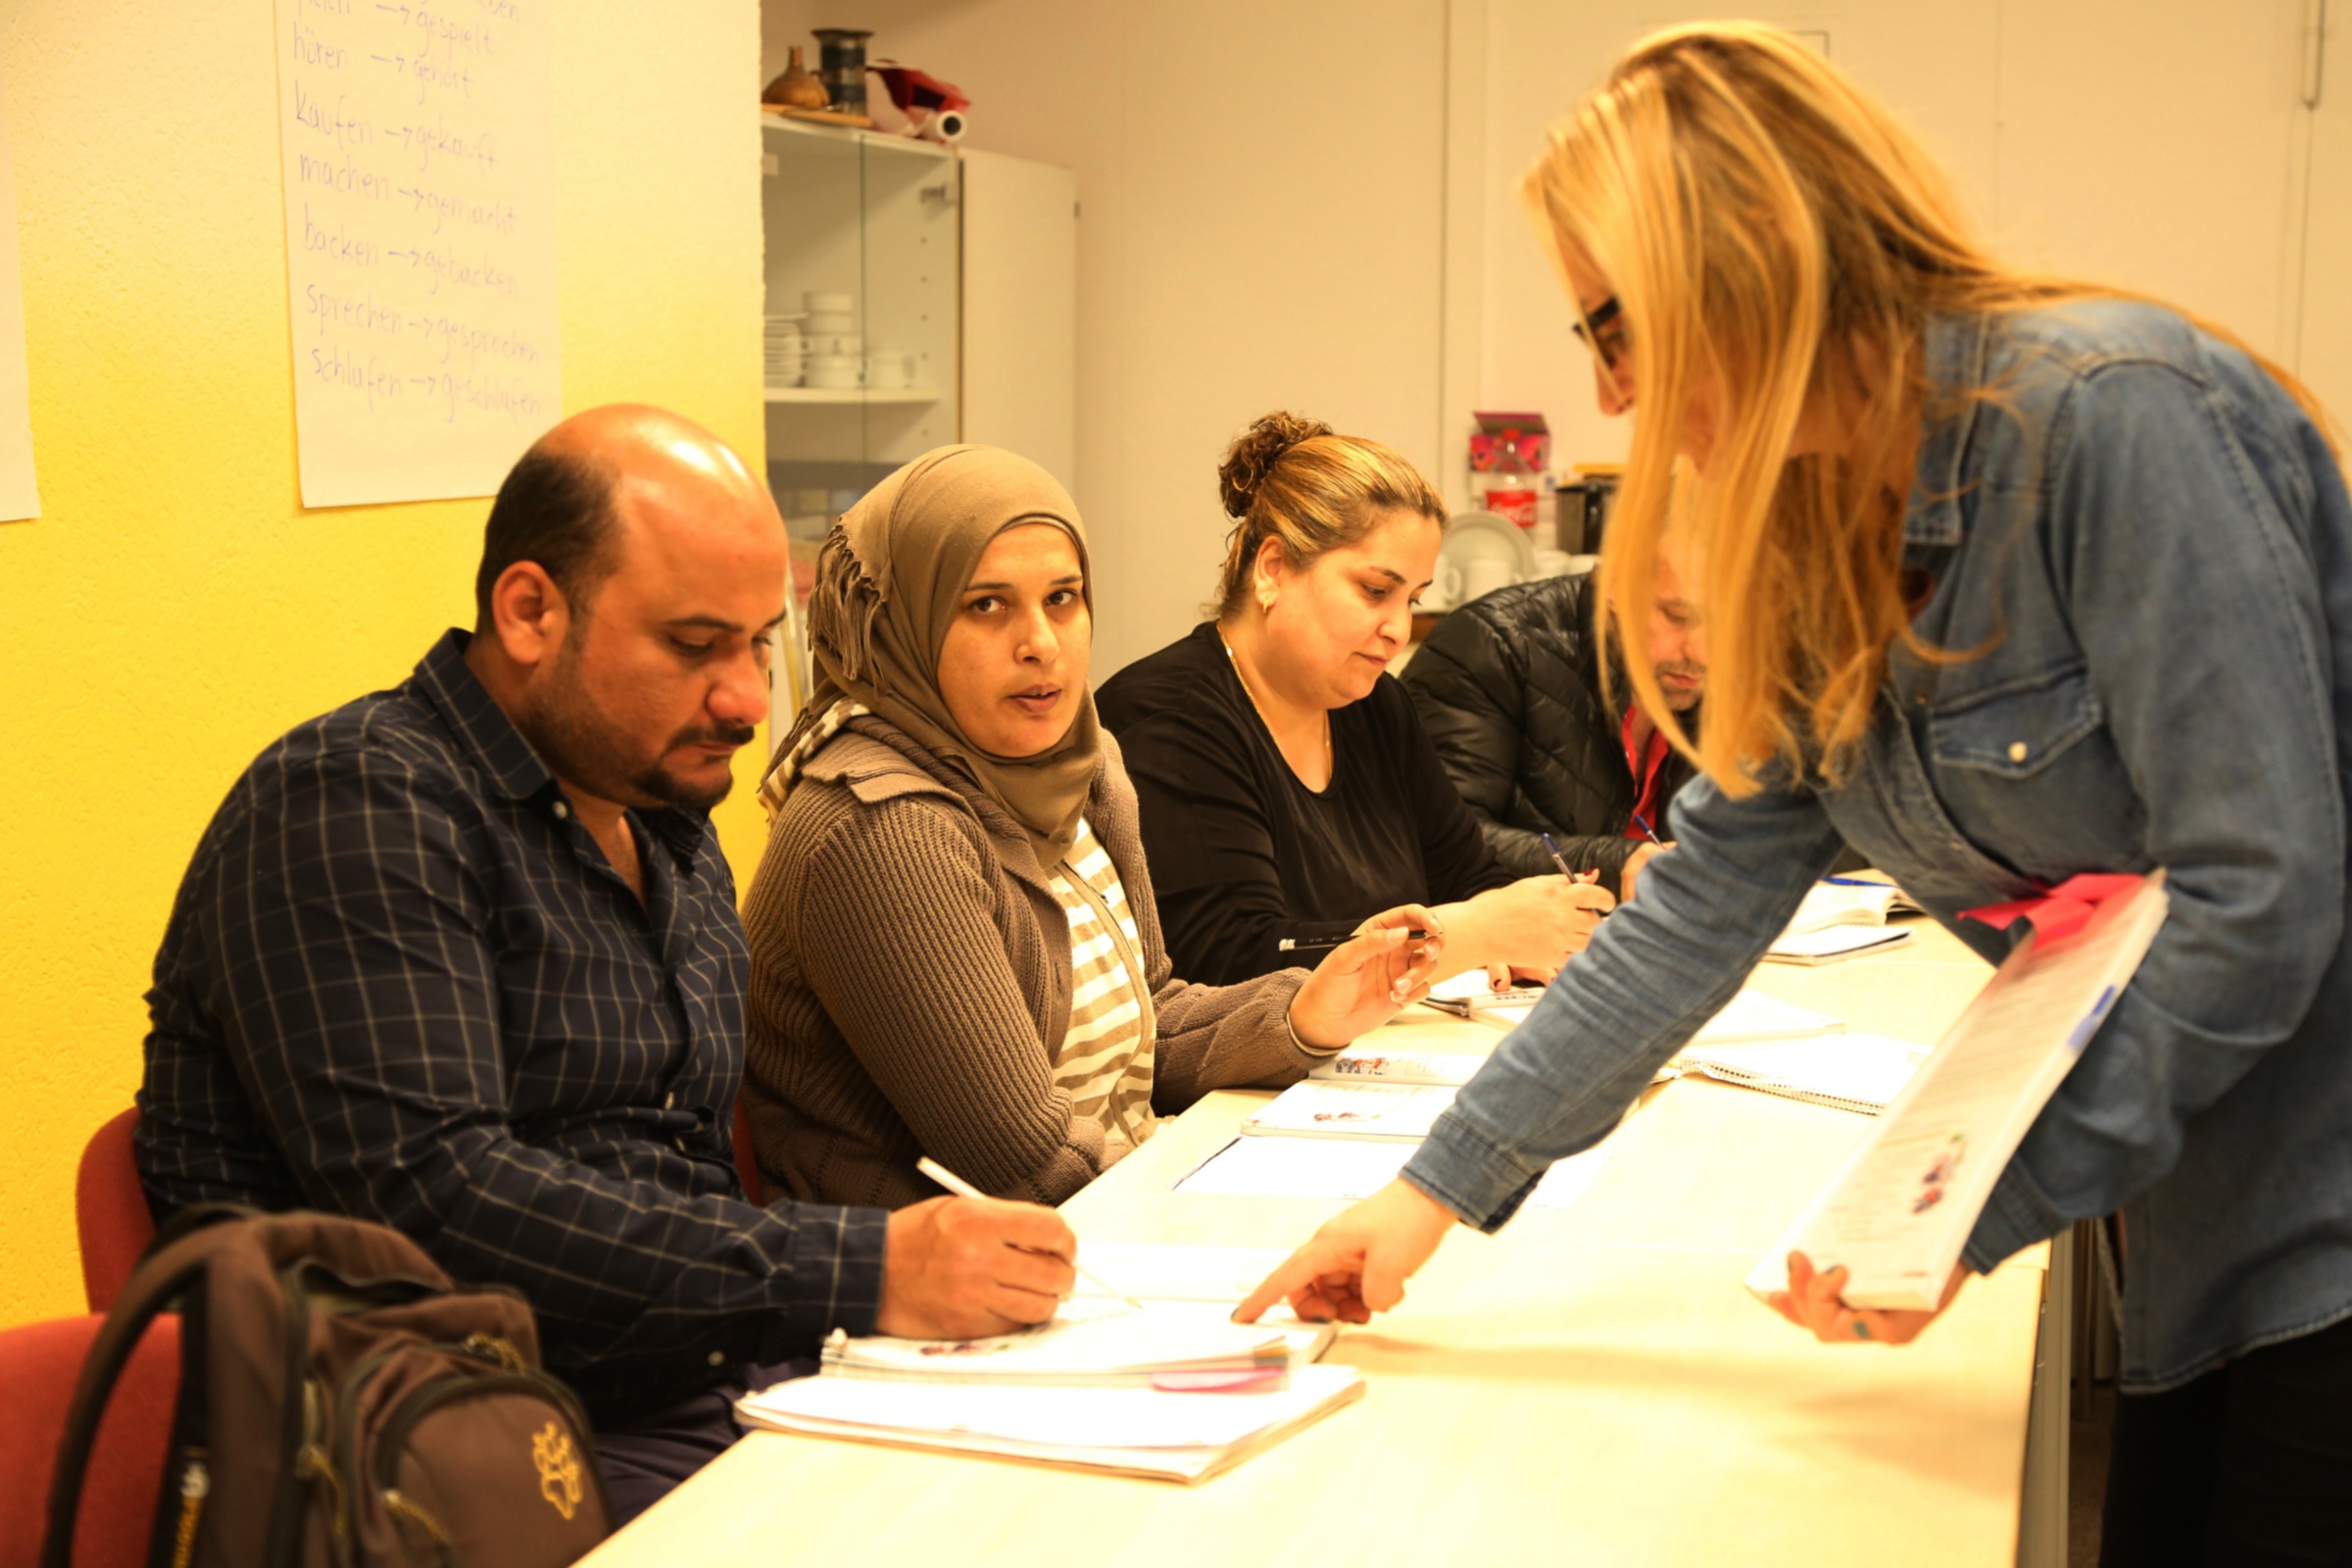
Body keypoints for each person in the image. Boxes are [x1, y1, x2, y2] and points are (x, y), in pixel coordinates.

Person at [1236, 24, 2352, 1562]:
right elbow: (1687, 914)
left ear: (1756, 253)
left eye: (1619, 330)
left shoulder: (2116, 421)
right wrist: (1428, 1197)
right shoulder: (1830, 534)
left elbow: (2264, 896)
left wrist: (1965, 1200)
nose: (1618, 397)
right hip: (2195, 1222)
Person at [134, 406, 1082, 1524]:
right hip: (449, 1441)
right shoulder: (355, 805)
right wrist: (865, 1268)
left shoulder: (663, 816)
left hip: (703, 1382)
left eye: (758, 644)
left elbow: (679, 1175)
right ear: (531, 609)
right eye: (693, 646)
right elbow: (438, 1208)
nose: (743, 701)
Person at [738, 446, 1438, 1210]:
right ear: (901, 626)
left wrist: (1301, 1013)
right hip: (932, 1286)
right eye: (986, 605)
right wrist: (1234, 1201)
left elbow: (1150, 1026)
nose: (1042, 641)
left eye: (1063, 598)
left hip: (1101, 1222)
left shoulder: (1083, 765)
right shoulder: (883, 828)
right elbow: (1020, 1160)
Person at [1097, 413, 1614, 988]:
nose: (1398, 629)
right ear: (1273, 570)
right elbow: (1231, 959)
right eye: (1375, 591)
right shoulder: (1169, 719)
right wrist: (1468, 935)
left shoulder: (1377, 706)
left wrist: (1515, 933)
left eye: (1413, 600)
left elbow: (1466, 877)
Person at [1399, 551, 1705, 901]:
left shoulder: (1726, 674)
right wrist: (1621, 862)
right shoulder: (1492, 643)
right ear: (1618, 586)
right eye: (1678, 617)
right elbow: (1438, 843)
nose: (1702, 652)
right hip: (1496, 943)